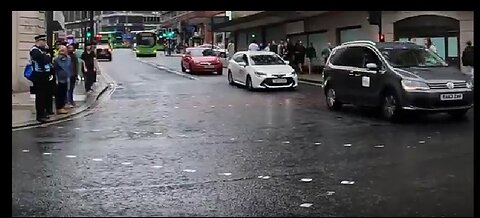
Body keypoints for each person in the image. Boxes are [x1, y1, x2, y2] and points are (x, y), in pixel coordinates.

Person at [30, 35, 54, 122]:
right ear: (38, 41)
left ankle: (44, 113)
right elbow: (43, 59)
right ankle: (39, 115)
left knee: (44, 95)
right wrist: (46, 55)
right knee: (40, 96)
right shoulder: (34, 50)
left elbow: (49, 57)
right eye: (43, 41)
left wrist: (47, 53)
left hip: (44, 75)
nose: (44, 43)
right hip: (38, 76)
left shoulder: (42, 50)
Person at [53, 45, 72, 114]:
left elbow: (69, 67)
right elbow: (55, 69)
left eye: (64, 50)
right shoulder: (56, 59)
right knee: (59, 94)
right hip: (59, 78)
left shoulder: (68, 58)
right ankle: (59, 107)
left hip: (66, 78)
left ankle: (63, 105)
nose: (62, 52)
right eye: (61, 50)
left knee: (64, 92)